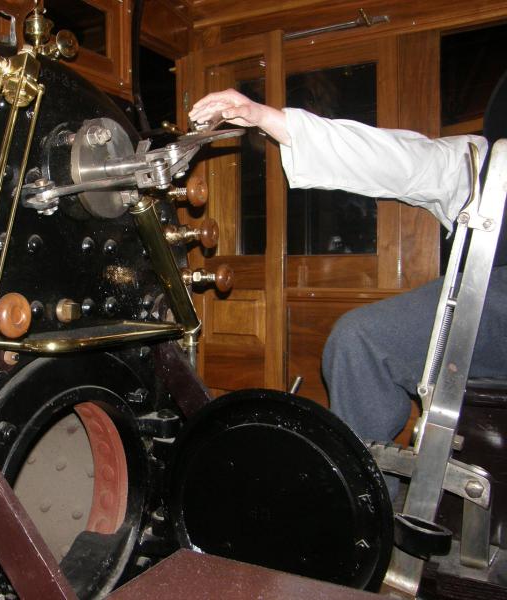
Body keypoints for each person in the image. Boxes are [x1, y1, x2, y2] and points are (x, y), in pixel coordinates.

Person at [188, 83, 507, 463]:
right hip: (491, 293)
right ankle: (366, 502)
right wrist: (263, 117)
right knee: (358, 339)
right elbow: (394, 157)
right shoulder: (482, 162)